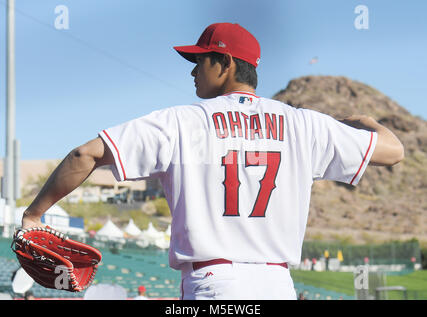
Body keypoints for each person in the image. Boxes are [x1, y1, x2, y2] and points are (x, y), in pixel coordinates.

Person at [21, 22, 404, 300]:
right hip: (279, 286)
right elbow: (393, 151)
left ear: (226, 63)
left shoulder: (180, 121)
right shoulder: (304, 124)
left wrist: (34, 215)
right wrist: (363, 122)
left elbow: (83, 154)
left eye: (201, 60)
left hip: (214, 284)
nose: (193, 69)